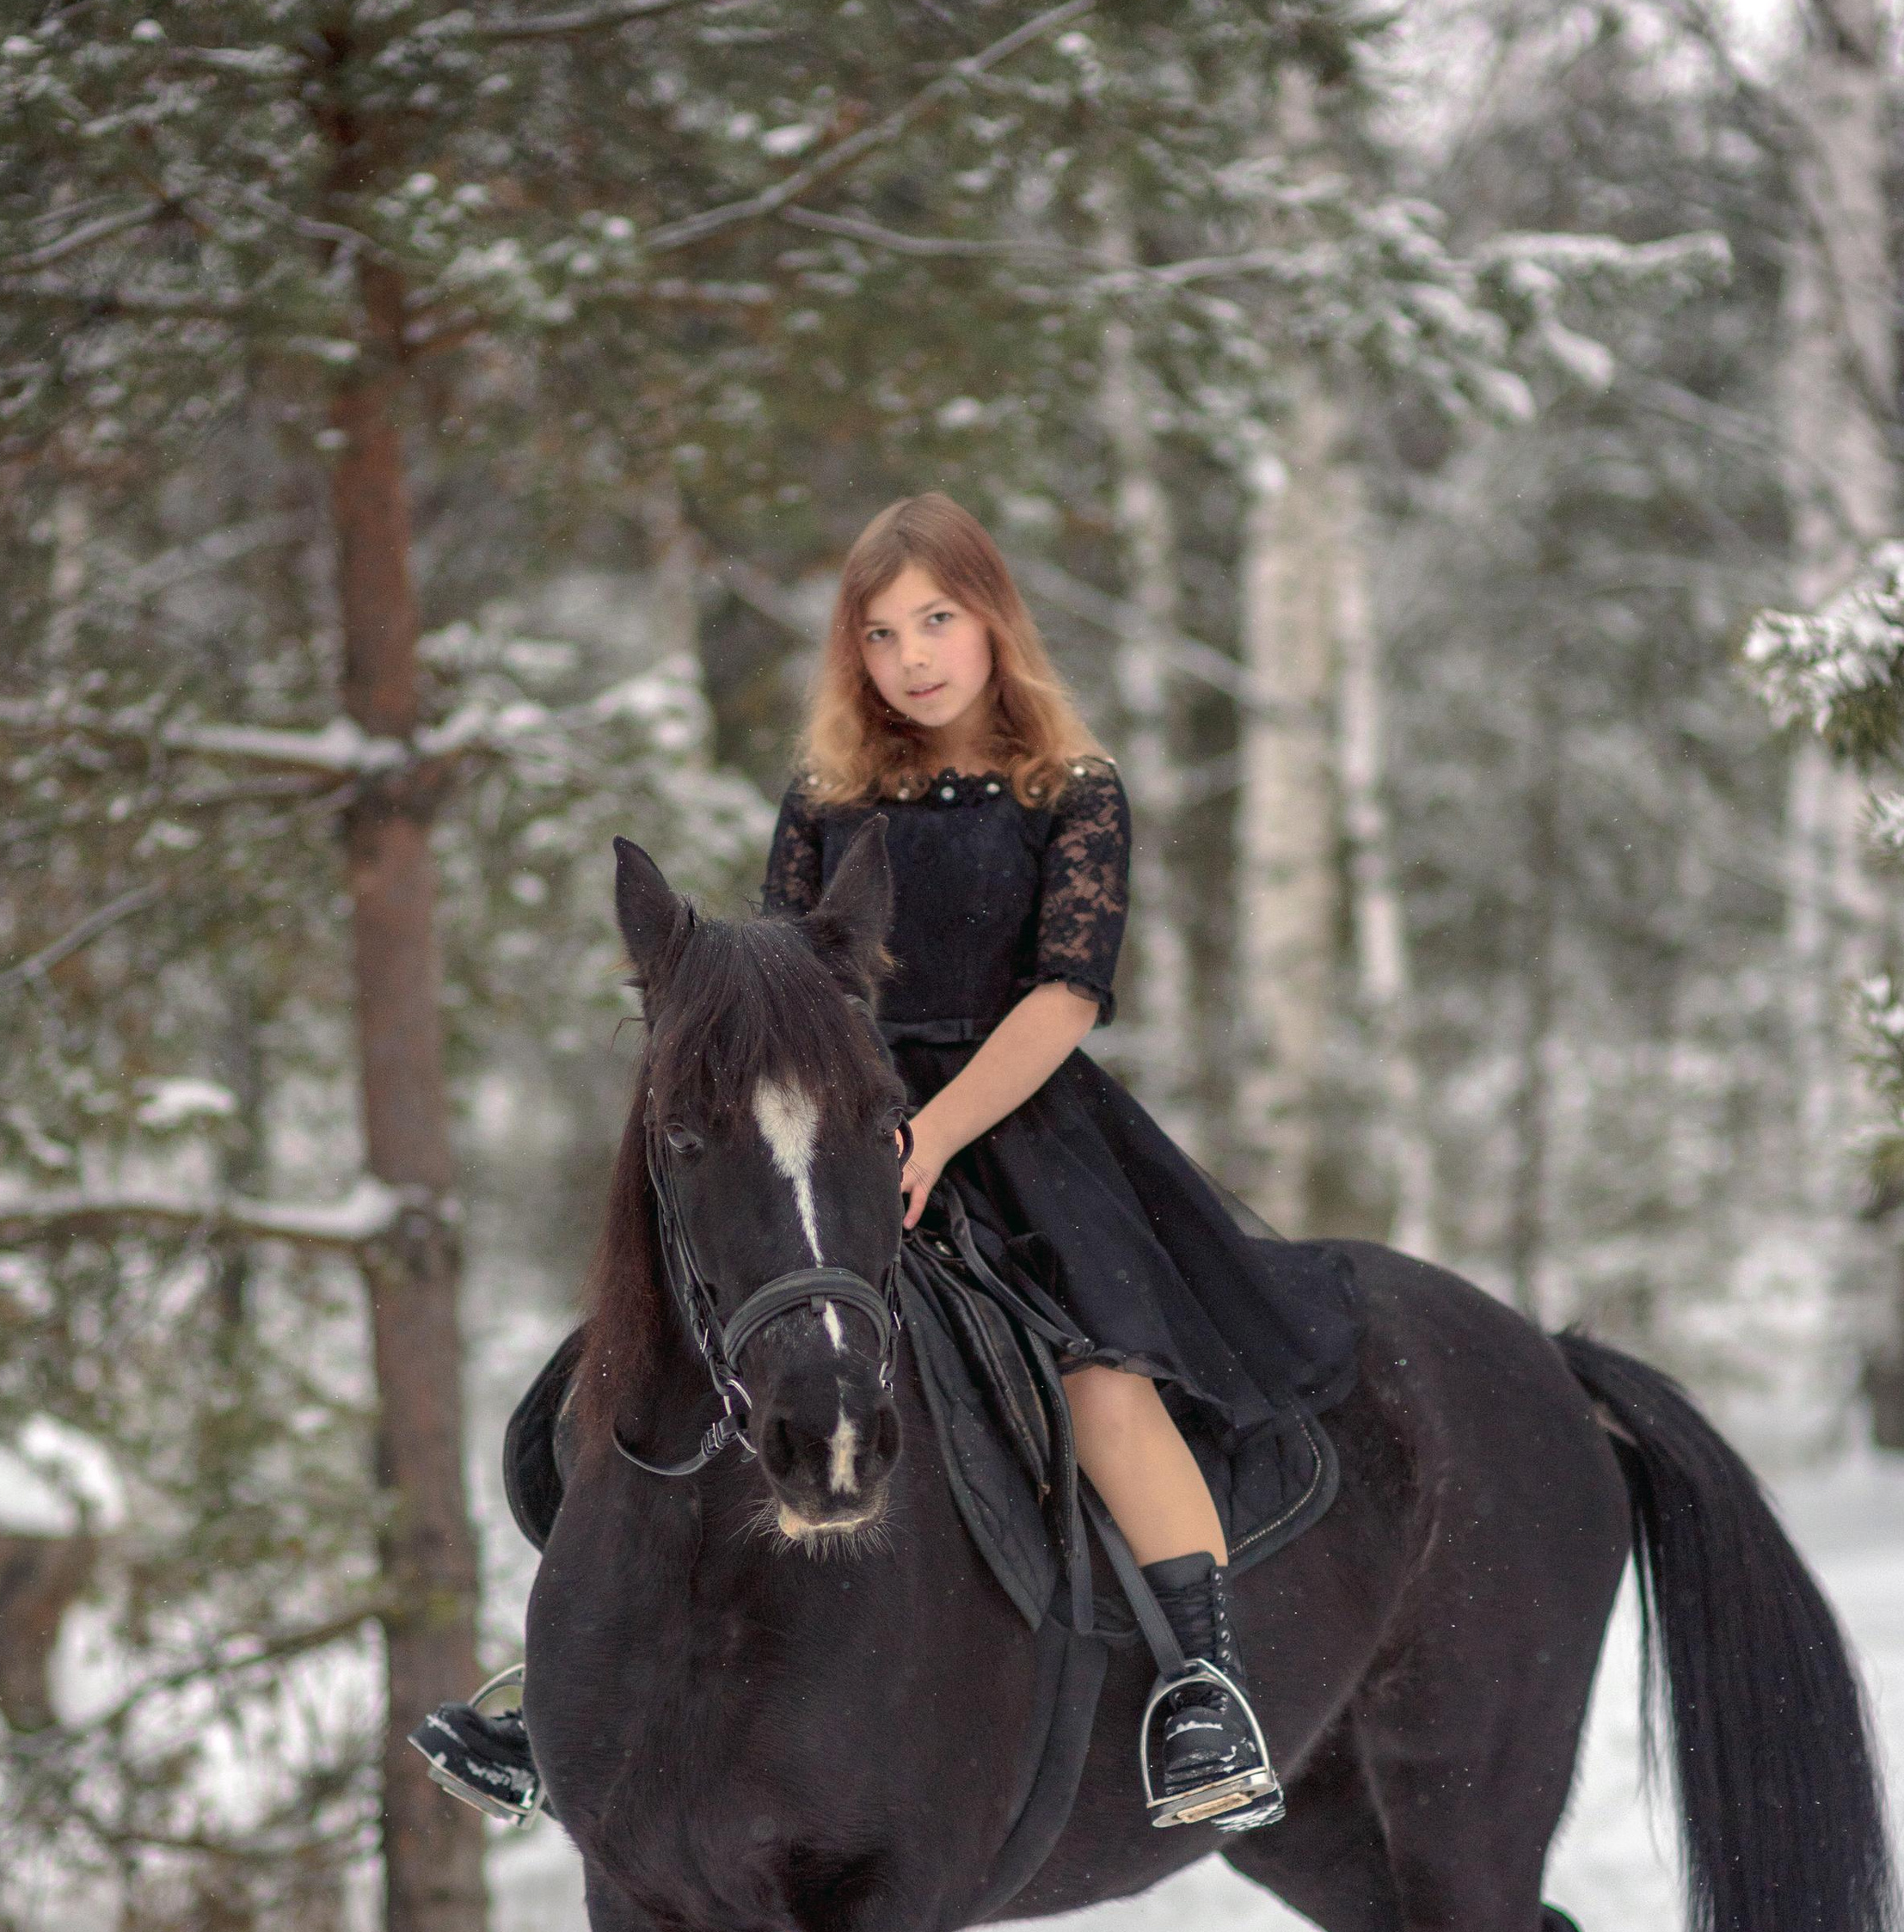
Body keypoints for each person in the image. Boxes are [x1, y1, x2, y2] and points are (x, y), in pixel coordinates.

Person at [415, 492, 1359, 1835]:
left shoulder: (1072, 795)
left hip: (1016, 1124)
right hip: (830, 1124)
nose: (913, 655)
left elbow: (1066, 997)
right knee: (664, 1353)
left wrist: (937, 1132)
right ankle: (563, 1697)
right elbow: (782, 980)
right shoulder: (827, 797)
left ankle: (1207, 1683)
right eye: (879, 633)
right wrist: (840, 1129)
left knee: (1101, 1380)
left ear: (993, 622)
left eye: (938, 619)